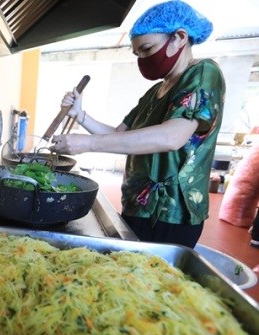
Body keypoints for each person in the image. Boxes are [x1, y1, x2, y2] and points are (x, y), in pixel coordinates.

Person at [50, 0, 225, 249]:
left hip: (170, 212)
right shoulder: (155, 91)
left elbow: (171, 137)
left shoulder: (203, 73)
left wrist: (87, 143)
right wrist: (81, 116)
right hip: (137, 204)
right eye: (137, 54)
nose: (142, 58)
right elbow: (120, 135)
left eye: (147, 48)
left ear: (179, 37)